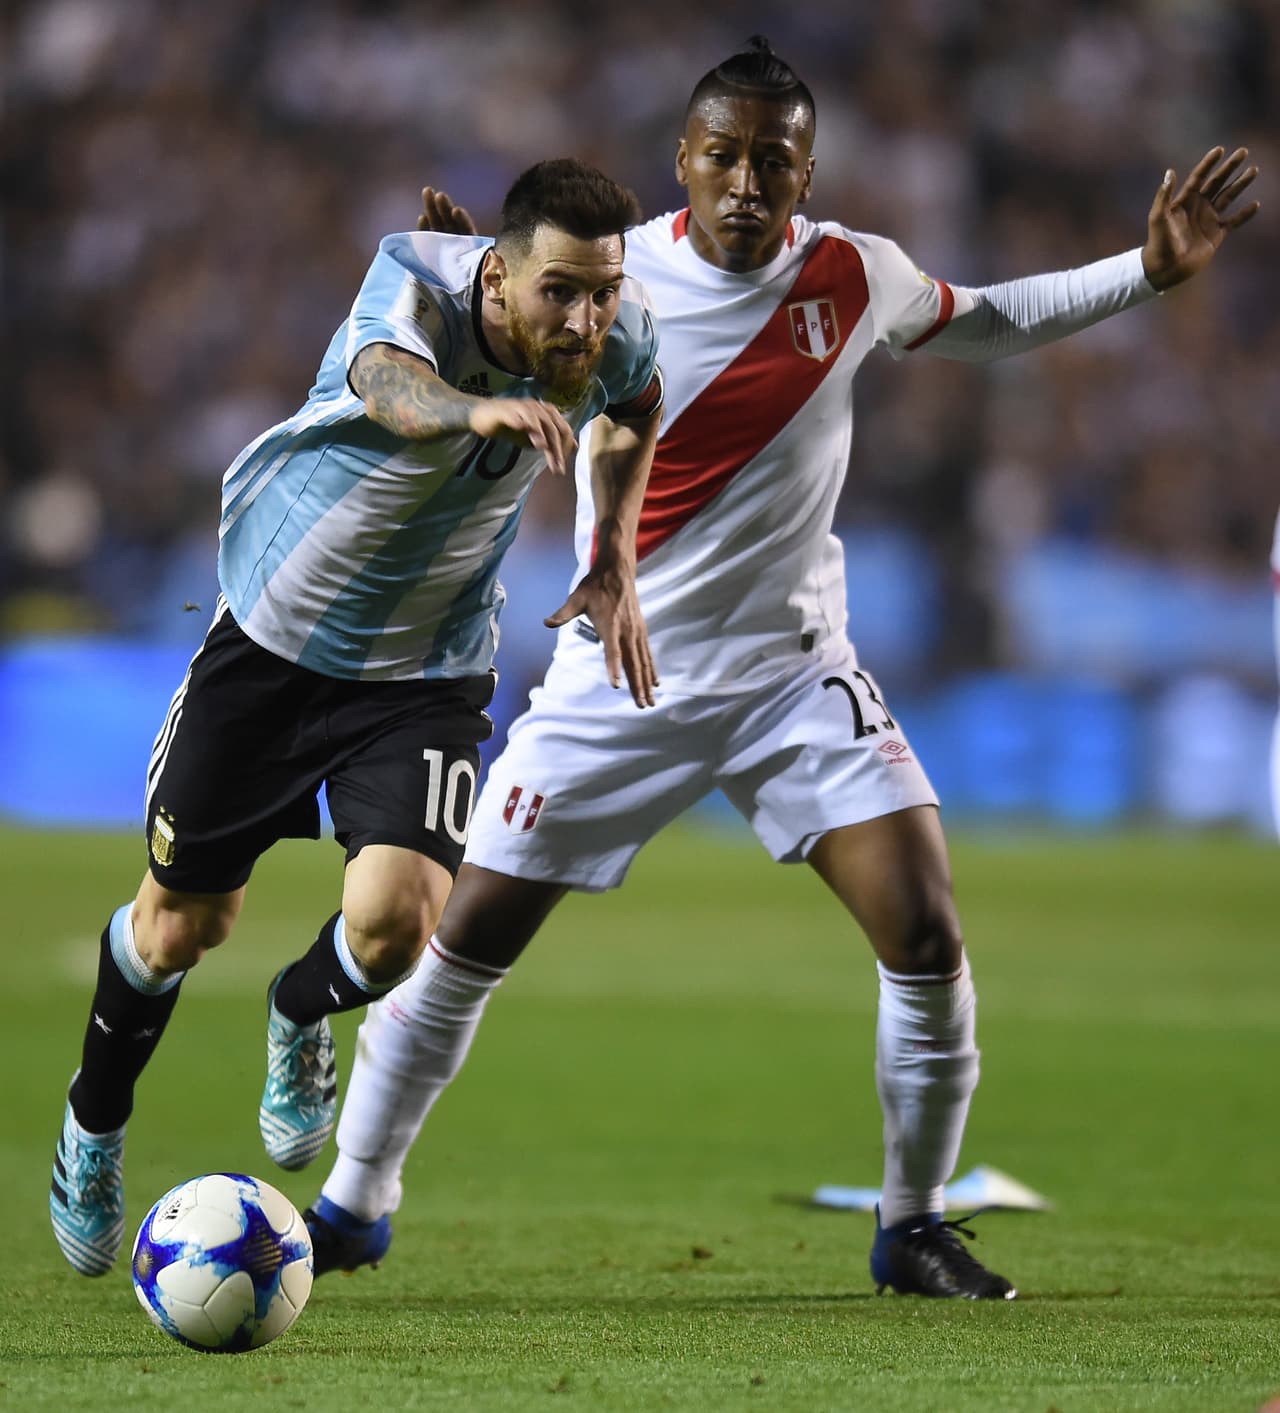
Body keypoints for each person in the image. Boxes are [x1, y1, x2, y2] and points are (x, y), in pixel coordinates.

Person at [303, 38, 1260, 1299]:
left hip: (790, 679)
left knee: (923, 928)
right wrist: (463, 286)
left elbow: (990, 323)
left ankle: (910, 1224)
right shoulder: (612, 276)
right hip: (614, 677)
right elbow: (496, 351)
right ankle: (352, 1204)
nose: (747, 180)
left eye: (774, 159)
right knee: (461, 944)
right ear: (682, 162)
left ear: (806, 169)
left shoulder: (854, 277)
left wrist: (1144, 272)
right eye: (723, 156)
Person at [49, 157, 666, 1278]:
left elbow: (635, 405)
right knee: (181, 926)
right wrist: (478, 404)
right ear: (495, 272)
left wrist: (613, 553)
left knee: (397, 923)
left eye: (603, 291)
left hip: (425, 667)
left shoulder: (608, 337)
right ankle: (91, 1128)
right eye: (560, 293)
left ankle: (301, 1008)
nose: (587, 320)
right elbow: (387, 383)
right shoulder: (411, 285)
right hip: (276, 643)